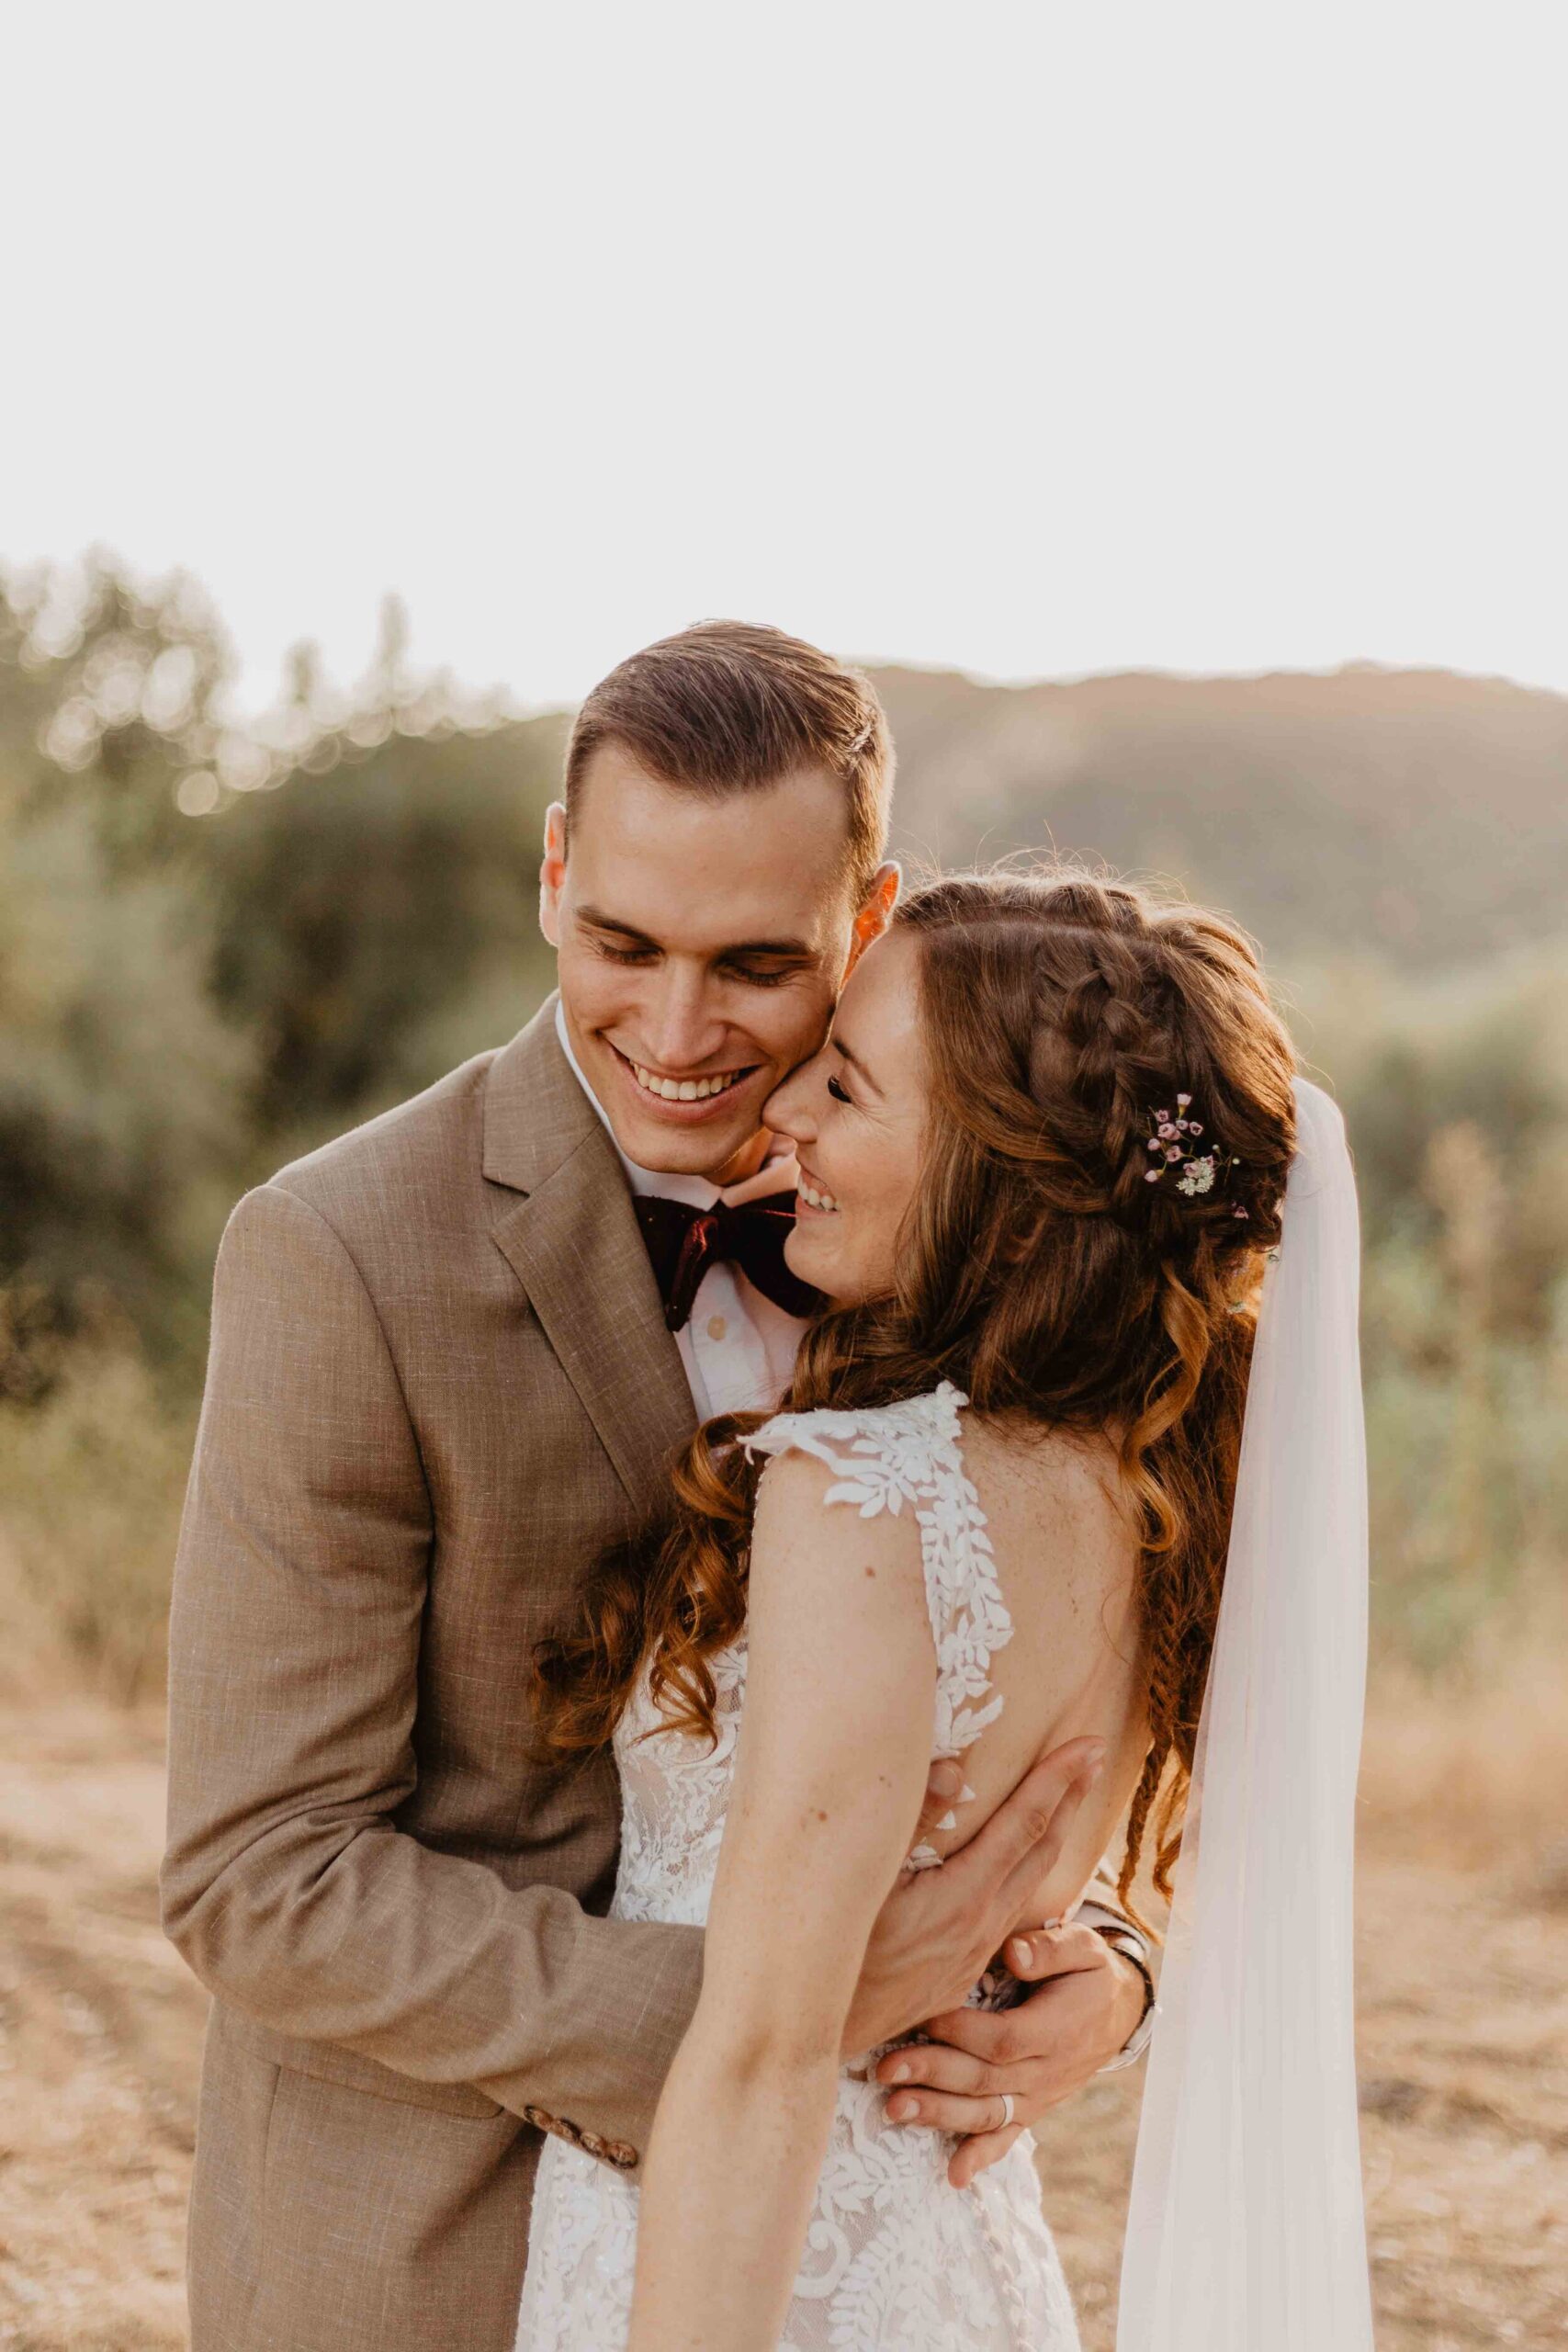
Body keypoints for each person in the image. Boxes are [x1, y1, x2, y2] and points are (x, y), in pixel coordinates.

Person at [160, 626, 1153, 2352]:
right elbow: (261, 1870)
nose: (678, 1031)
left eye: (758, 967)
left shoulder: (950, 1248)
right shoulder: (338, 1254)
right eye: (624, 942)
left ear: (867, 916)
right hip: (429, 2255)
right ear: (553, 878)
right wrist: (776, 2007)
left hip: (858, 2236)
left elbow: (1041, 1688)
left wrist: (1108, 1970)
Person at [515, 867, 1372, 2349]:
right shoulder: (1153, 1490)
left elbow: (767, 2056)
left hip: (752, 2271)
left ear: (998, 1176)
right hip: (952, 2247)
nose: (785, 1118)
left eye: (846, 1090)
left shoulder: (863, 1488)